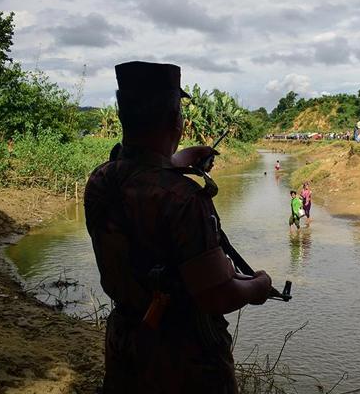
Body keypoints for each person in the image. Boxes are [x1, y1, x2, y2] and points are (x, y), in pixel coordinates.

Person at [84, 61, 273, 393]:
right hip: (184, 361)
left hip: (126, 345)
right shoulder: (184, 199)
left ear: (124, 117)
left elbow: (137, 174)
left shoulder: (100, 180)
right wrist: (257, 287)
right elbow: (217, 295)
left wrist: (175, 161)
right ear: (176, 121)